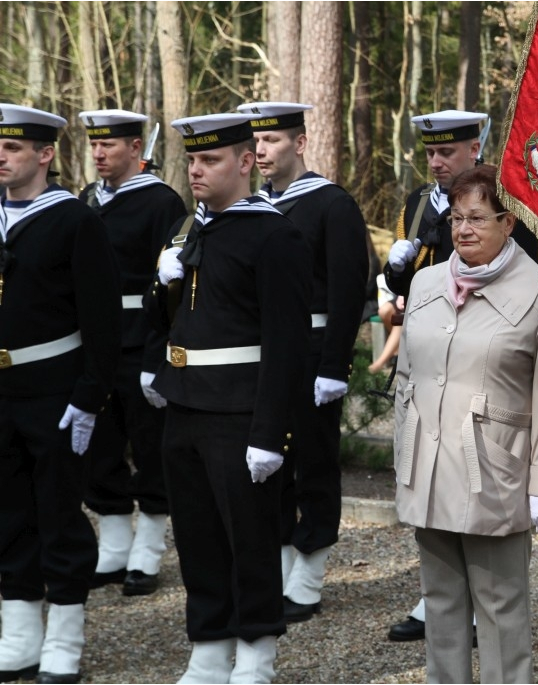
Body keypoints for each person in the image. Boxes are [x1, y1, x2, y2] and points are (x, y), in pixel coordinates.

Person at [145, 113, 312, 683]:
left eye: (210, 160)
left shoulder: (274, 234)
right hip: (186, 405)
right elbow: (175, 318)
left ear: (245, 162)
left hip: (240, 412)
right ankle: (209, 651)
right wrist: (159, 289)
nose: (196, 170)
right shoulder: (193, 229)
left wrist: (270, 433)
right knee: (197, 537)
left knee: (250, 539)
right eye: (191, 160)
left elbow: (287, 344)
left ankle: (257, 655)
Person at [391, 163, 538, 683]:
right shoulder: (423, 283)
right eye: (457, 218)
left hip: (495, 471)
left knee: (500, 607)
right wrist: (404, 455)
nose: (463, 230)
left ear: (508, 223)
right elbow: (405, 376)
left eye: (478, 218)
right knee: (440, 605)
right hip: (430, 465)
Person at [0, 104, 121, 683]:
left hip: (53, 390)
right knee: (7, 515)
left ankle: (64, 639)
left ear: (44, 155)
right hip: (1, 391)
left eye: (14, 148)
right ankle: (20, 635)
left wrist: (90, 394)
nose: (1, 156)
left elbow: (101, 318)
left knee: (58, 514)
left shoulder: (74, 220)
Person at [236, 100, 370, 624]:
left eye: (272, 141)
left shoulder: (331, 204)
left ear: (301, 142)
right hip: (266, 355)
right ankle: (284, 562)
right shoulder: (252, 206)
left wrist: (336, 365)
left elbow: (346, 290)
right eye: (256, 143)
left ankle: (309, 575)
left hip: (314, 355)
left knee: (313, 462)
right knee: (272, 462)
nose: (262, 151)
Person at [78, 109, 187, 597]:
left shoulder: (161, 202)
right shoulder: (86, 199)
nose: (99, 153)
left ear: (135, 149)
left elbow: (167, 288)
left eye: (110, 145)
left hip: (140, 340)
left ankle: (147, 551)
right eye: (95, 145)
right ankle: (115, 547)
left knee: (148, 447)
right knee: (99, 447)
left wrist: (154, 356)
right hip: (93, 343)